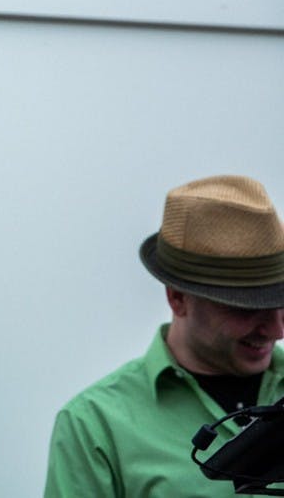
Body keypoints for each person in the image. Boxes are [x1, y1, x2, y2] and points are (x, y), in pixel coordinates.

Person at [44, 174, 284, 497]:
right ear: (177, 298)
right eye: (246, 308)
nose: (277, 330)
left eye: (281, 303)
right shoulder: (94, 426)